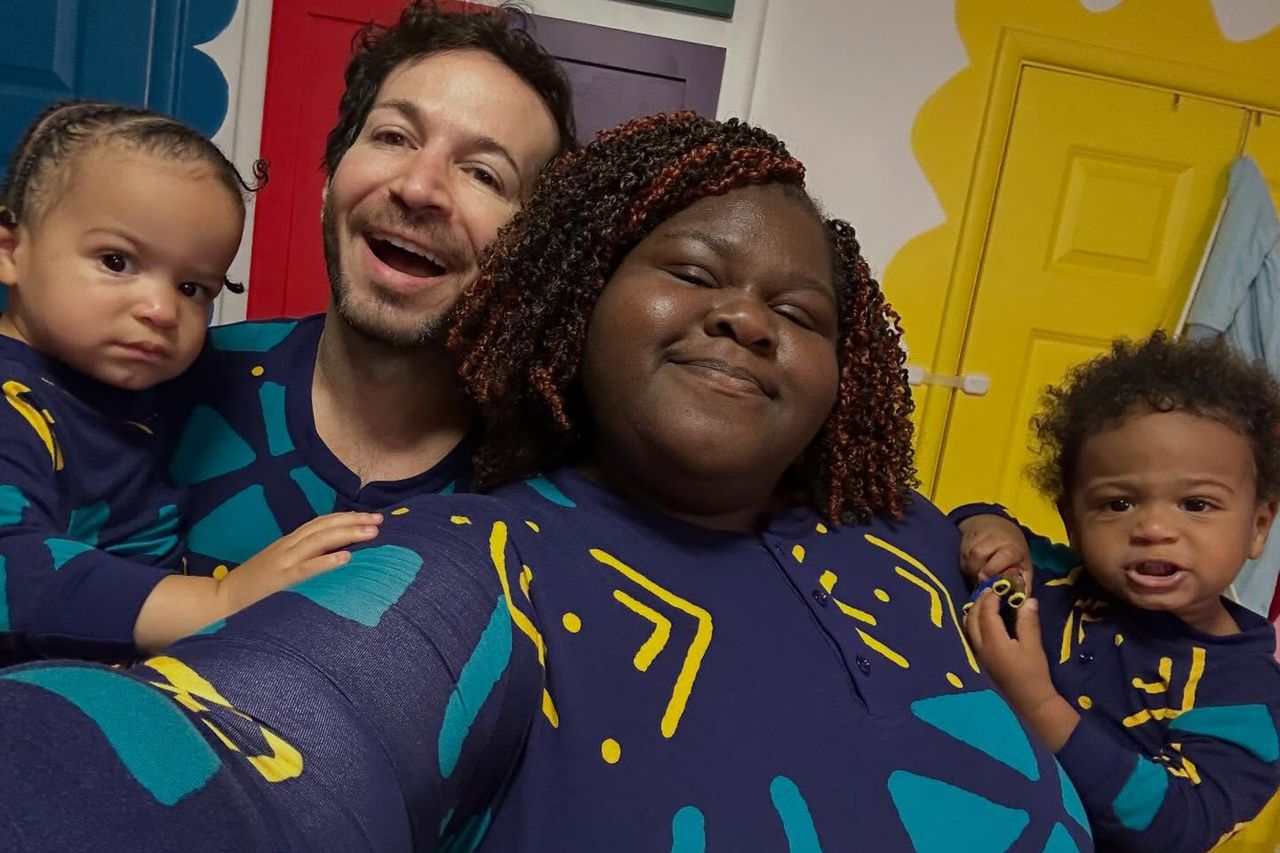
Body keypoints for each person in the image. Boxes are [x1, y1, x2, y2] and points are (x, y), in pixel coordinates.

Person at [0, 113, 1090, 852]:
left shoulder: (903, 524)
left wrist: (988, 524)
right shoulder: (470, 562)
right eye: (692, 273)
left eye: (799, 314)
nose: (747, 320)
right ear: (576, 307)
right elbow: (261, 739)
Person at [163, 0, 576, 578]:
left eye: (483, 173)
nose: (418, 187)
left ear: (527, 251)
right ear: (330, 181)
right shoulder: (162, 386)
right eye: (394, 137)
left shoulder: (548, 487)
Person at [0, 101, 385, 661]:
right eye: (116, 261)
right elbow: (14, 573)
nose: (160, 309)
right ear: (11, 250)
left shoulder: (136, 392)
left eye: (192, 289)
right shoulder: (11, 403)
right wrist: (222, 599)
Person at [955, 333, 1280, 851]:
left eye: (1196, 504)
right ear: (1072, 521)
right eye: (1118, 504)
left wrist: (1037, 702)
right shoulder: (1060, 575)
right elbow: (969, 523)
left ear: (1258, 527)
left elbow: (1180, 825)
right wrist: (991, 529)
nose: (1153, 529)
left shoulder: (1245, 691)